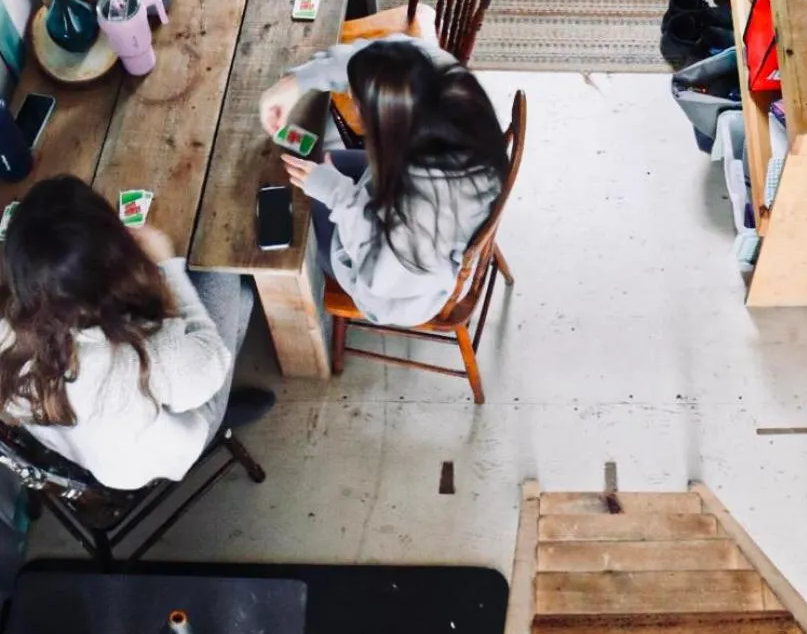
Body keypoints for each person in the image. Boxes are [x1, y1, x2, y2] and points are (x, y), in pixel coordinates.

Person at [0, 176, 272, 491]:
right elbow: (207, 368)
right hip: (159, 452)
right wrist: (168, 266)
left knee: (237, 303)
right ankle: (217, 417)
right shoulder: (125, 360)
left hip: (94, 455)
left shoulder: (9, 329)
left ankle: (186, 405)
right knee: (232, 284)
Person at [259, 36, 509, 328]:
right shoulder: (442, 80)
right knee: (309, 170)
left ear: (385, 122)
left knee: (296, 215)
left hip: (395, 288)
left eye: (356, 104)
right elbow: (378, 57)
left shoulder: (424, 210)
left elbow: (380, 275)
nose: (350, 101)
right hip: (395, 202)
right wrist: (296, 82)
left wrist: (338, 194)